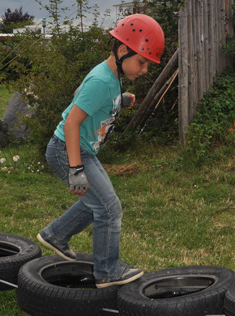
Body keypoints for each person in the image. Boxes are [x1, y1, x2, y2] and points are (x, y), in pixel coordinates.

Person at [37, 14, 165, 289]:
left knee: (97, 202)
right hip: (67, 150)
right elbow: (72, 122)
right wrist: (76, 170)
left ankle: (56, 235)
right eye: (142, 62)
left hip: (81, 151)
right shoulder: (102, 80)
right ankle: (106, 271)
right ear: (122, 51)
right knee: (108, 208)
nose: (144, 70)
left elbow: (79, 94)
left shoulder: (112, 77)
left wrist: (123, 101)